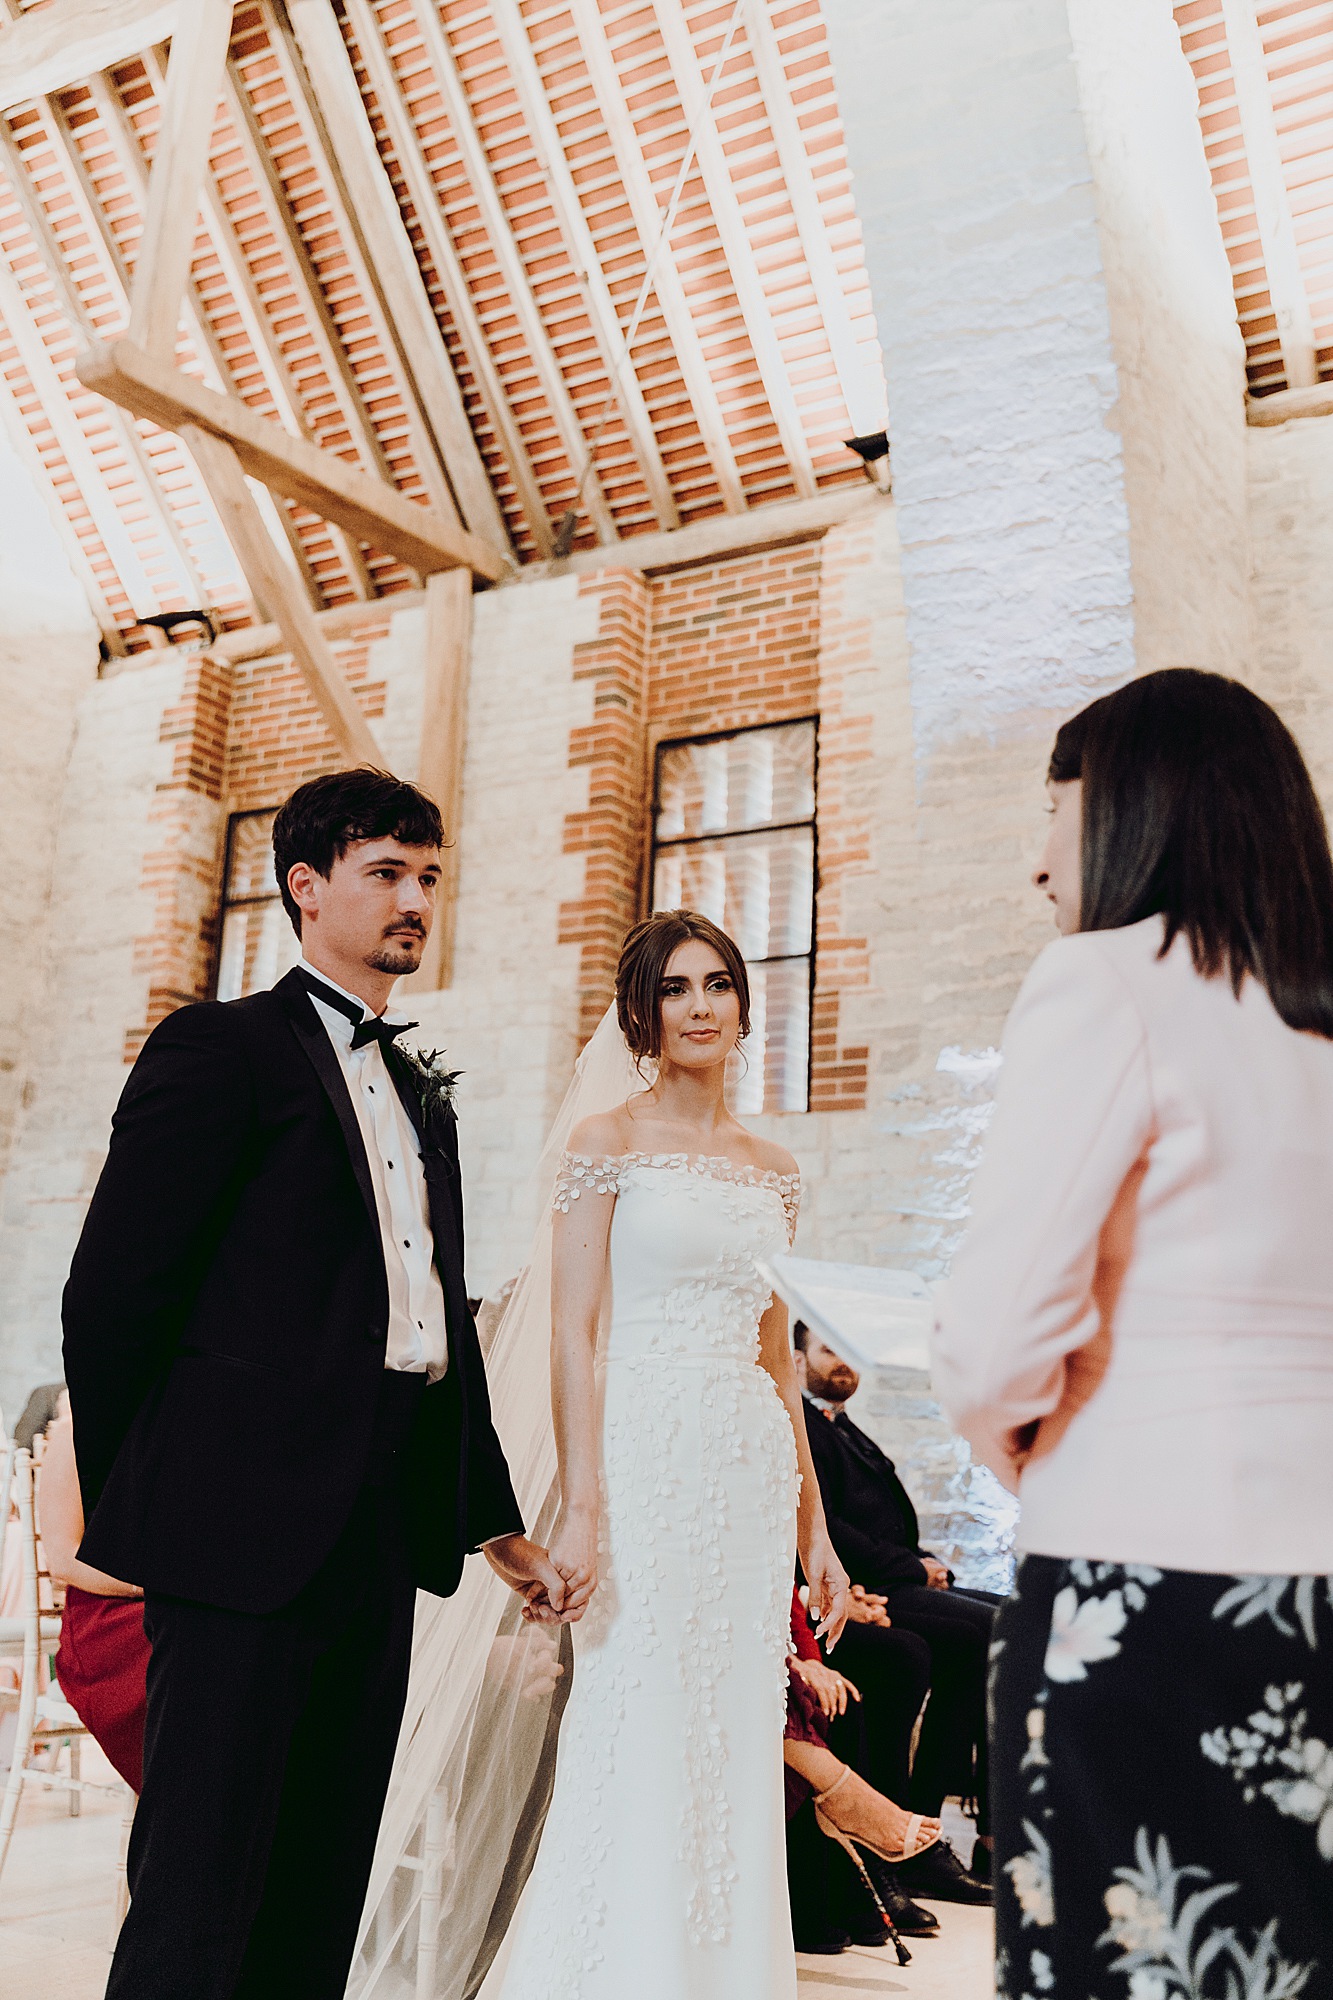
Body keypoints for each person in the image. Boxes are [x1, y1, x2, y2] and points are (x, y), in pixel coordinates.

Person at [62, 767, 578, 2000]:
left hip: (379, 1533)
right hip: (235, 1535)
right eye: (386, 873)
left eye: (429, 878)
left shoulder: (418, 1093)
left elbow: (431, 1327)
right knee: (201, 1882)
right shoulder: (219, 1047)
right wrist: (159, 1501)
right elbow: (113, 1293)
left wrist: (494, 1523)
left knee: (321, 1878)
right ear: (306, 886)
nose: (415, 901)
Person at [933, 668, 1333, 1999]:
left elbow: (997, 1339)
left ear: (1126, 811)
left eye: (1053, 807)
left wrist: (1028, 1459)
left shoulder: (1105, 982)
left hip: (1144, 1577)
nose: (1037, 858)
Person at [492, 908, 873, 2000]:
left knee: (736, 1720)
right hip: (644, 1445)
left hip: (745, 1466)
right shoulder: (604, 1140)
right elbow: (573, 1329)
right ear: (642, 1013)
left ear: (744, 1003)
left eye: (716, 983)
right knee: (637, 1702)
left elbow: (773, 1353)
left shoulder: (775, 1168)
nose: (700, 1005)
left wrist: (816, 1527)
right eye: (675, 988)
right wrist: (582, 1501)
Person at [795, 1324, 997, 1902]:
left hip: (897, 1576)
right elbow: (826, 1529)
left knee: (1004, 1621)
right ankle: (932, 1834)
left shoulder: (849, 1431)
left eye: (850, 1351)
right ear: (796, 1358)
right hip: (872, 1584)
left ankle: (956, 1828)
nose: (843, 1365)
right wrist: (912, 1570)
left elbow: (887, 1518)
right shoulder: (802, 1427)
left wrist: (924, 1558)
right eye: (830, 1349)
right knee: (979, 1634)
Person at [39, 1392, 149, 1792]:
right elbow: (63, 1558)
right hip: (104, 1617)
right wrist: (147, 1587)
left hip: (160, 1603)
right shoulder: (73, 1433)